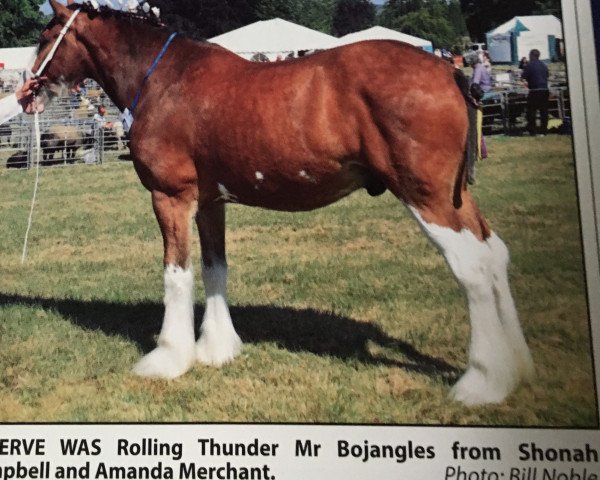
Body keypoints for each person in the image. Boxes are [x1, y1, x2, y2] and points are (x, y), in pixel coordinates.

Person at [521, 49, 550, 136]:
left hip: (535, 90)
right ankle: (544, 131)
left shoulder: (529, 65)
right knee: (544, 111)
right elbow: (547, 75)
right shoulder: (544, 65)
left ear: (531, 55)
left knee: (531, 112)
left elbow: (523, 77)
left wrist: (526, 81)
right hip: (544, 90)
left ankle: (532, 131)